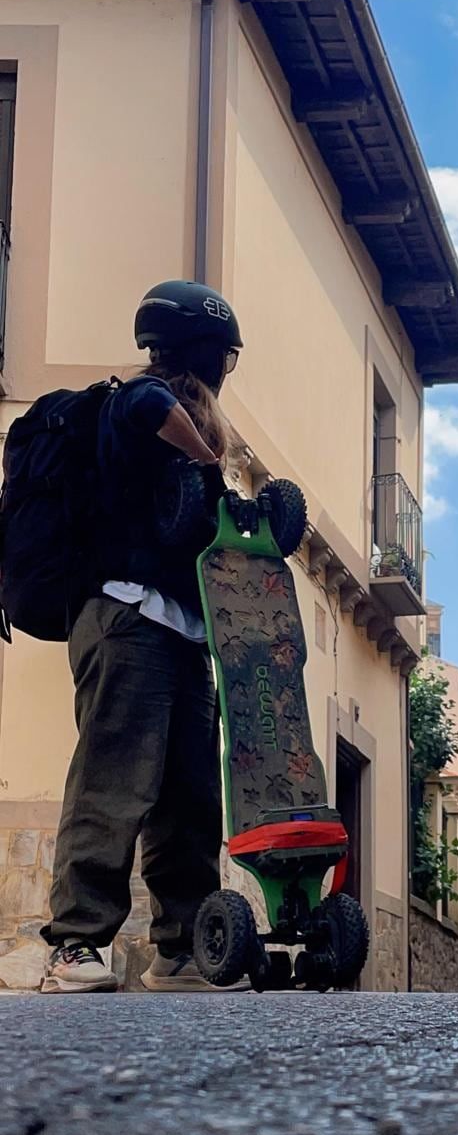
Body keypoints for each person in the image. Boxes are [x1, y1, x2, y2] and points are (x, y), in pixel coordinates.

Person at [40, 280, 242, 994]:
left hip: (186, 635)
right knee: (113, 780)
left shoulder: (186, 429)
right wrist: (212, 466)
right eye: (222, 356)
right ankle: (75, 943)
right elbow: (150, 406)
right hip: (127, 615)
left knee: (189, 799)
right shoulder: (139, 400)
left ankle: (182, 947)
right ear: (200, 353)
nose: (224, 371)